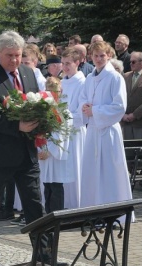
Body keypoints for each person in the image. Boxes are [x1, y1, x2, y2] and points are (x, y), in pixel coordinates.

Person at [0, 30, 65, 266]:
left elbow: (37, 104)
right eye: (9, 55)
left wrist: (42, 125)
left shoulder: (28, 72)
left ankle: (45, 254)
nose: (15, 60)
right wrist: (17, 126)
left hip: (26, 153)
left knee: (36, 205)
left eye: (18, 55)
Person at [79, 41, 133, 213]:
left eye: (102, 55)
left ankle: (114, 213)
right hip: (93, 131)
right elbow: (83, 99)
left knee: (109, 173)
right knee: (92, 172)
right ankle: (92, 211)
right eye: (95, 55)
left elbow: (119, 107)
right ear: (91, 57)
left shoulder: (115, 77)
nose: (99, 59)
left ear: (109, 55)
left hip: (108, 131)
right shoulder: (89, 78)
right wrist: (85, 107)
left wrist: (94, 110)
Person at [38, 77, 71, 213]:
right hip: (44, 152)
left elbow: (62, 134)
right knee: (47, 185)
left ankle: (57, 216)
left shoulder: (64, 111)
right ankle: (48, 215)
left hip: (55, 154)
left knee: (56, 186)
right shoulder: (42, 111)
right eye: (49, 91)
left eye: (55, 91)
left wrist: (49, 151)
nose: (52, 94)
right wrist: (40, 148)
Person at [61, 48, 86, 209]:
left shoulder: (83, 82)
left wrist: (65, 116)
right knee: (64, 170)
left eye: (68, 63)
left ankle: (77, 204)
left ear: (77, 62)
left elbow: (81, 113)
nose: (65, 67)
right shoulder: (62, 81)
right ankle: (65, 204)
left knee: (76, 169)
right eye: (63, 63)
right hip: (62, 133)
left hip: (75, 132)